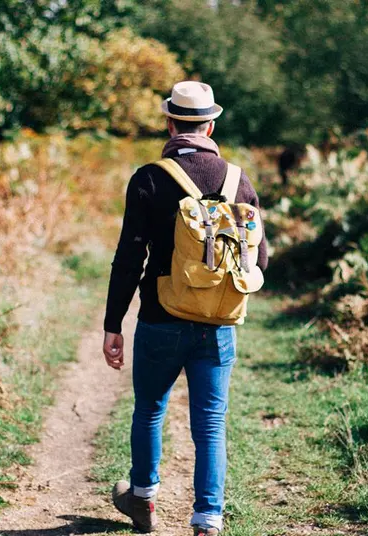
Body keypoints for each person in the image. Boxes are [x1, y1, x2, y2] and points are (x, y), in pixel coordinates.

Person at [102, 81, 268, 536]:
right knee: (211, 424)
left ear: (170, 122)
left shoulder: (150, 178)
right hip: (216, 324)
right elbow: (262, 259)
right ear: (211, 124)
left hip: (160, 317)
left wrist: (113, 324)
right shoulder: (238, 180)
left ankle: (142, 501)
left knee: (150, 409)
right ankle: (208, 520)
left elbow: (128, 258)